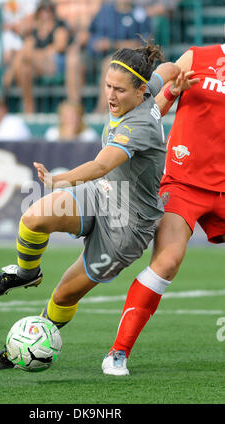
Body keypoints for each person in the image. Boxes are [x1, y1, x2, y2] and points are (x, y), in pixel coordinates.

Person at [0, 39, 183, 371]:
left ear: (140, 90)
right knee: (34, 217)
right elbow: (173, 67)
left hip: (125, 228)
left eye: (119, 89)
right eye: (107, 86)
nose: (111, 95)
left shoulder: (141, 125)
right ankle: (27, 272)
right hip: (103, 195)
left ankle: (24, 347)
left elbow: (102, 164)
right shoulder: (148, 88)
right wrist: (181, 80)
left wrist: (59, 180)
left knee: (63, 296)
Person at [103, 42, 224, 375]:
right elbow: (152, 108)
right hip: (184, 182)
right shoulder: (199, 57)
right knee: (168, 261)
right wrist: (172, 91)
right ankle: (118, 353)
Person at [12, 0, 72, 114]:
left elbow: (59, 47)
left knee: (23, 55)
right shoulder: (35, 31)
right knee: (24, 69)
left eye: (48, 10)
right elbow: (29, 46)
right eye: (42, 11)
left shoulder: (59, 26)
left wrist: (38, 53)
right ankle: (28, 105)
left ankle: (8, 80)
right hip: (38, 66)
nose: (45, 14)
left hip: (55, 65)